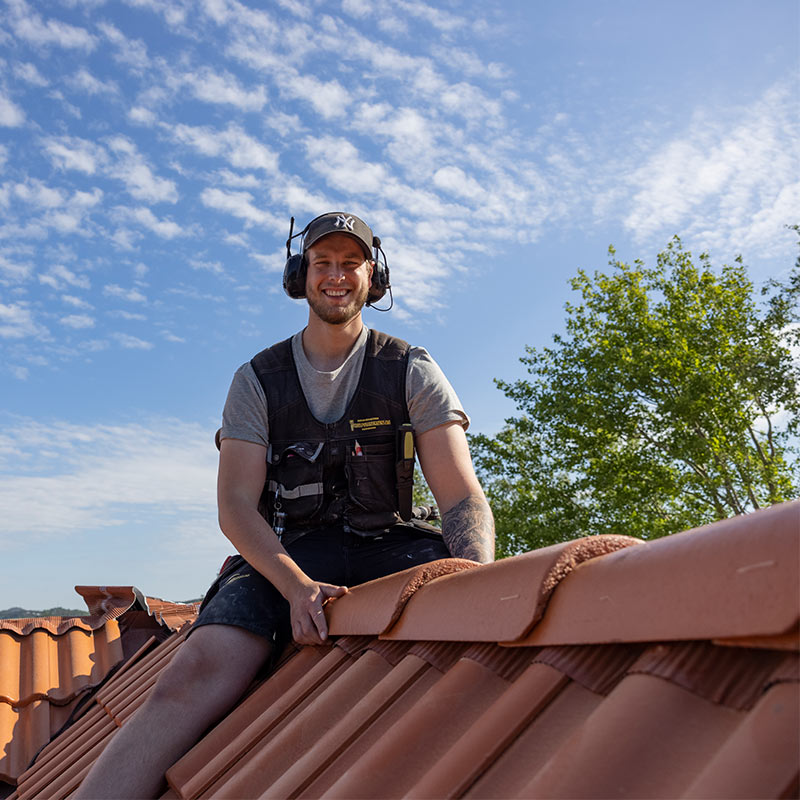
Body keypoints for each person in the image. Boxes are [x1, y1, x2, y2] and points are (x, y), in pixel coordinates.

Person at [75, 211, 495, 799]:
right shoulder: (256, 379)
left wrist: (474, 577)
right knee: (191, 678)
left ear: (375, 277)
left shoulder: (411, 368)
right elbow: (236, 507)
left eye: (352, 263)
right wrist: (297, 587)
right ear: (302, 275)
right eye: (323, 263)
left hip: (392, 546)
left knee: (481, 658)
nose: (337, 276)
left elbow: (461, 496)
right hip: (286, 555)